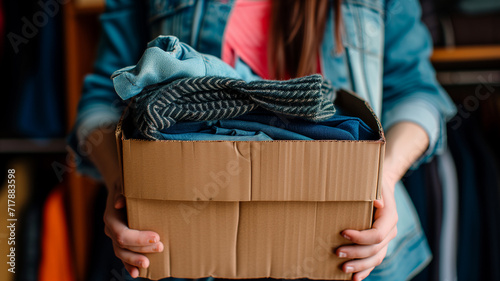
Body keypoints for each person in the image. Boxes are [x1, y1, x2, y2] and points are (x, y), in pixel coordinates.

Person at [68, 0, 457, 280]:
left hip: (357, 255)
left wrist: (382, 179)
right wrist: (126, 182)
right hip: (185, 251)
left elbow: (416, 93)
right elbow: (103, 99)